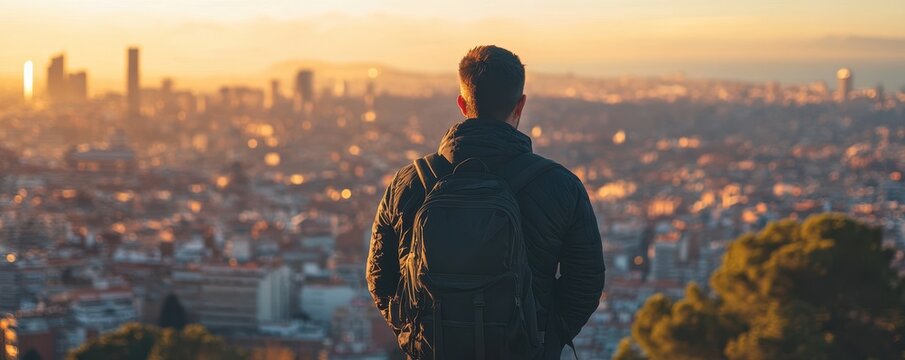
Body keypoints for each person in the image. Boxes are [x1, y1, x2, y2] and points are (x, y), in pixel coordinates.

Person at [367, 45, 605, 359]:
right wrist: (543, 336)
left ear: (462, 104)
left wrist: (415, 334)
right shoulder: (560, 186)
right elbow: (585, 282)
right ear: (520, 105)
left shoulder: (409, 183)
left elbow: (379, 277)